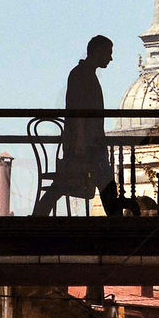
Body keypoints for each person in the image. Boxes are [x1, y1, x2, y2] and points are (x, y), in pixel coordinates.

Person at [33, 35, 120, 216]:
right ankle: (117, 220)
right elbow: (79, 111)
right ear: (98, 52)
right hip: (89, 142)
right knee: (101, 182)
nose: (111, 58)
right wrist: (80, 140)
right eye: (108, 53)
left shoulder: (81, 74)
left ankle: (38, 216)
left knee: (66, 183)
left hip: (86, 141)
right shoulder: (84, 76)